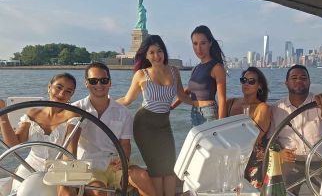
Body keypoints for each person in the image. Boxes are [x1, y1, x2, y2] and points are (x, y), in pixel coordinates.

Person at [117, 35, 192, 196]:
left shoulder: (174, 71)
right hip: (144, 125)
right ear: (145, 55)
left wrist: (201, 104)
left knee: (170, 167)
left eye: (159, 51)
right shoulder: (141, 74)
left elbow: (182, 96)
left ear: (164, 52)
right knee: (157, 169)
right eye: (151, 52)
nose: (156, 56)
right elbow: (127, 99)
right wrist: (104, 104)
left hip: (164, 125)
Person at [72, 62, 156, 196]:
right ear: (86, 83)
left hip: (115, 162)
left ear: (110, 83)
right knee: (98, 191)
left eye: (103, 80)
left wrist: (124, 160)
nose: (99, 85)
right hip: (89, 166)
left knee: (142, 177)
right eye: (93, 81)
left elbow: (125, 144)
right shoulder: (75, 109)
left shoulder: (123, 112)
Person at [0, 73, 80, 196]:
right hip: (29, 167)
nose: (61, 93)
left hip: (59, 167)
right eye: (58, 87)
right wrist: (3, 114)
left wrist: (64, 184)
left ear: (71, 96)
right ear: (49, 87)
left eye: (68, 91)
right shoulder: (33, 113)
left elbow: (69, 153)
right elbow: (14, 144)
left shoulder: (73, 116)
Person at [270, 64, 322, 195]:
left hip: (320, 161)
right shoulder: (276, 108)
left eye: (303, 78)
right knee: (282, 193)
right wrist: (280, 152)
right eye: (294, 78)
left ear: (309, 82)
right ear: (286, 83)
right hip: (290, 162)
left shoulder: (320, 102)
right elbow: (272, 138)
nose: (299, 81)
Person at [172, 25, 227, 126]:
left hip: (209, 114)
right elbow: (188, 91)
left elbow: (222, 99)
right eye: (195, 44)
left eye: (203, 43)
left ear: (210, 43)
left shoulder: (217, 67)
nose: (199, 48)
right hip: (194, 112)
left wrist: (220, 126)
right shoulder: (195, 68)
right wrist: (171, 107)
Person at [226, 67, 271, 188]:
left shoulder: (263, 108)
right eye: (244, 80)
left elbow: (254, 137)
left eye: (251, 81)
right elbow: (217, 127)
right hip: (230, 155)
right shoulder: (230, 103)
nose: (246, 84)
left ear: (259, 86)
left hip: (253, 159)